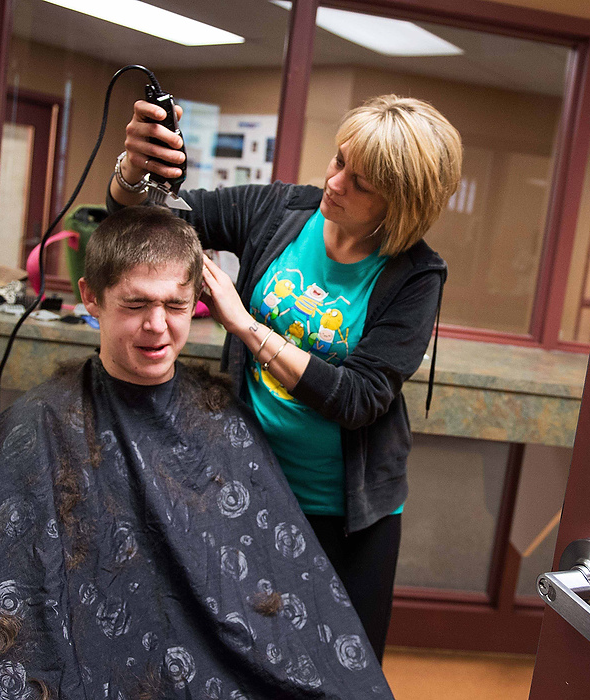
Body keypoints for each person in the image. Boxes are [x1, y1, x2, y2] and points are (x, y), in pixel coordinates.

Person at [0, 206, 393, 700]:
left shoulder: (221, 422)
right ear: (91, 297)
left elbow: (275, 606)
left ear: (197, 301)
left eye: (175, 306)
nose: (157, 326)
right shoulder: (40, 423)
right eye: (135, 305)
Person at [109, 95, 462, 660]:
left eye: (361, 182)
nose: (336, 182)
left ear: (400, 205)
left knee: (344, 669)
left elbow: (359, 398)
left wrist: (246, 325)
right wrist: (133, 169)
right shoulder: (280, 212)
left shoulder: (414, 277)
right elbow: (156, 220)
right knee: (241, 658)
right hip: (249, 492)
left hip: (346, 520)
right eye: (339, 160)